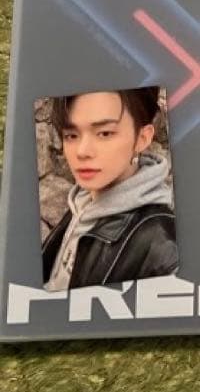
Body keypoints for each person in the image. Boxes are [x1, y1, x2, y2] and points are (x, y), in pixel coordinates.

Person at [41, 87, 178, 290]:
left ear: (142, 138)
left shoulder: (161, 245)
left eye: (104, 133)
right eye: (71, 135)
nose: (82, 151)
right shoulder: (81, 203)